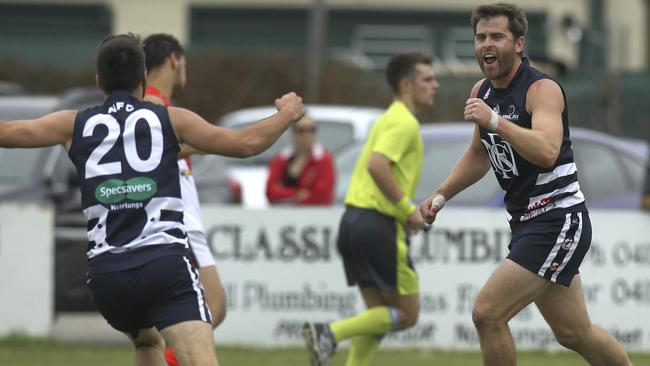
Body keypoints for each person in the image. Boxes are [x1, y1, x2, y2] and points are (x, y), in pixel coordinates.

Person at [0, 33, 304, 366]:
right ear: (144, 79)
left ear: (99, 81)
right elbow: (247, 143)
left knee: (147, 343)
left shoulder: (72, 124)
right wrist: (287, 114)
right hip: (163, 267)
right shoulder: (170, 119)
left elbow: (7, 133)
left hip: (108, 278)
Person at [418, 4, 631, 366]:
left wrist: (496, 122)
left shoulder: (542, 89)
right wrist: (441, 194)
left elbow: (547, 151)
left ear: (518, 43)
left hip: (558, 219)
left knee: (487, 313)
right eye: (481, 37)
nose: (487, 44)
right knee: (574, 333)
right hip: (527, 223)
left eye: (497, 37)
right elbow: (479, 154)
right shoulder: (481, 91)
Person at [302, 52, 438, 366]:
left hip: (353, 221)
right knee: (407, 314)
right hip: (380, 226)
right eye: (428, 79)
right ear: (406, 85)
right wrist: (408, 210)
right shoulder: (404, 122)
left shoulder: (388, 117)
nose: (436, 85)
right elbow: (378, 166)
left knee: (381, 315)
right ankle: (330, 332)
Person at [142, 33, 227, 366]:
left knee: (207, 311)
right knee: (210, 308)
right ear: (174, 59)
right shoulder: (153, 104)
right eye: (185, 62)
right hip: (179, 224)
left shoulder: (158, 103)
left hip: (183, 222)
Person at [265, 114, 335, 205]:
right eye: (301, 130)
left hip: (315, 217)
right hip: (282, 215)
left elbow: (322, 196)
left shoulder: (324, 160)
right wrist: (296, 194)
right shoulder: (281, 159)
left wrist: (284, 193)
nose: (307, 135)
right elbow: (270, 192)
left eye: (312, 130)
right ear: (293, 133)